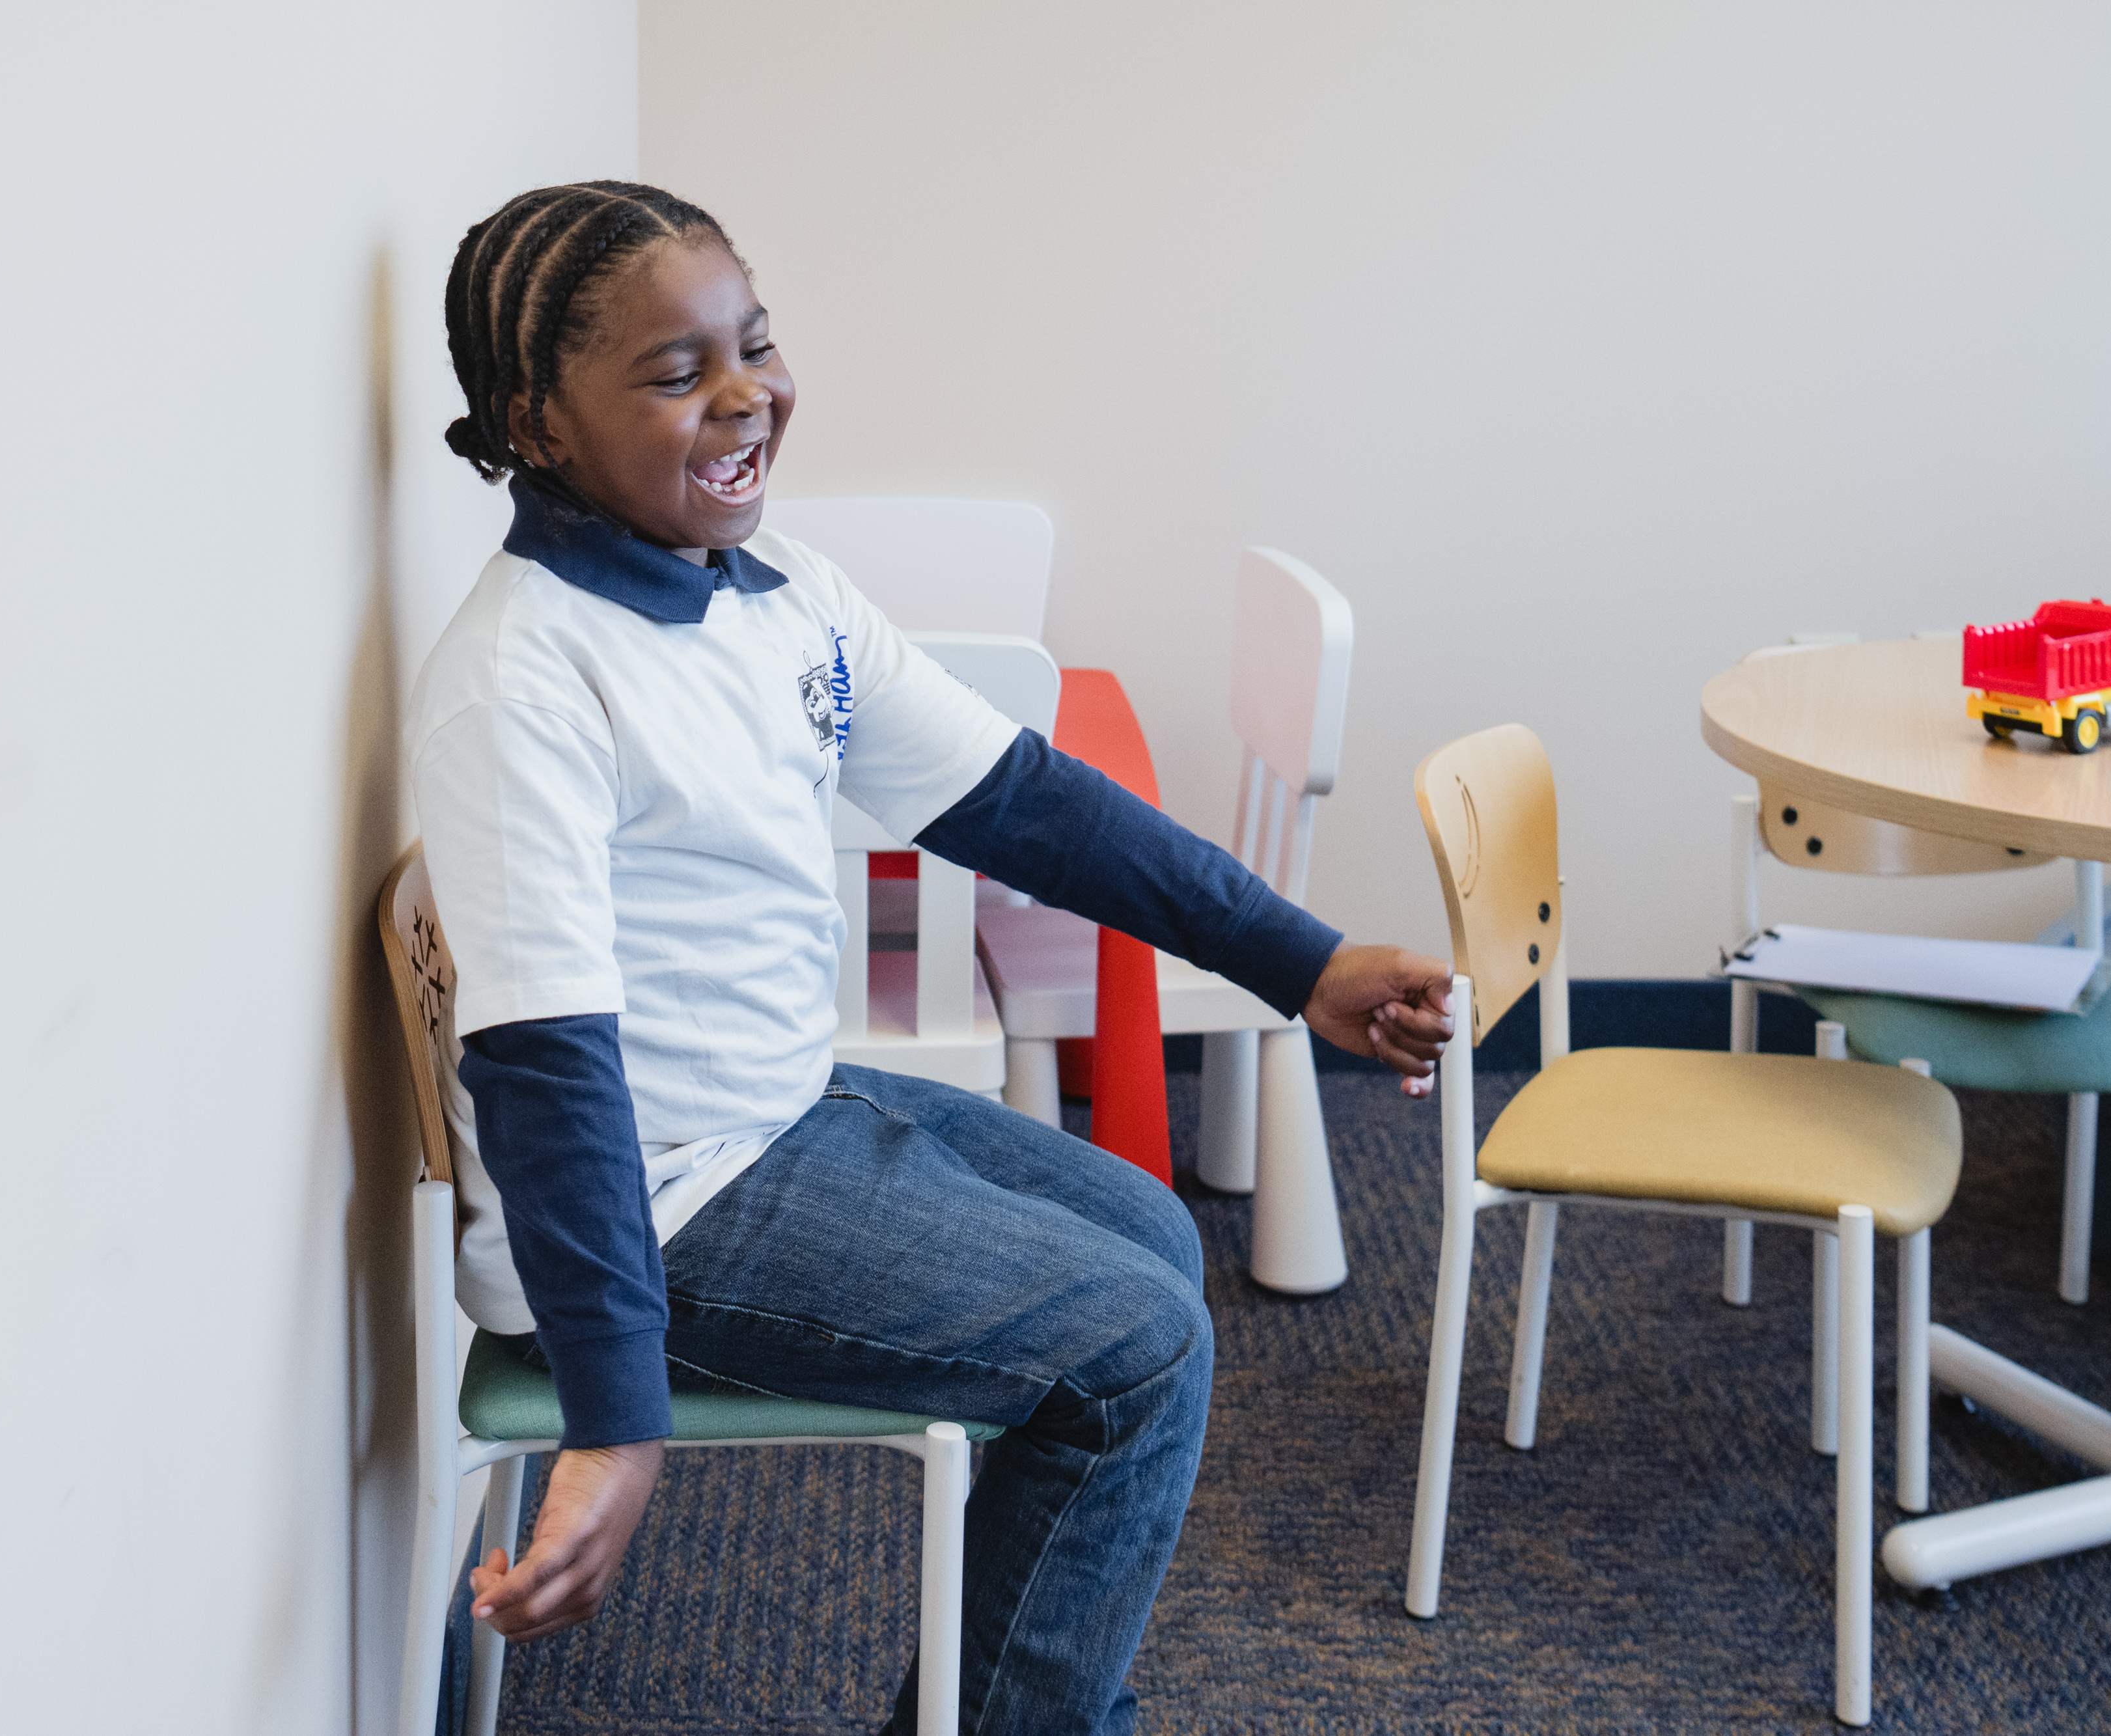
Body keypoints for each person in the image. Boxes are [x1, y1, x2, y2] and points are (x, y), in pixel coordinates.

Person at [408, 180, 1454, 1734]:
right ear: (537, 425)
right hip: (660, 1195)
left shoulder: (769, 591)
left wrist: (1296, 960)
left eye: (752, 344)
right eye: (675, 370)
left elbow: (1023, 800)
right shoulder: (528, 678)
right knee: (1139, 1347)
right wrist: (614, 1419)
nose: (746, 393)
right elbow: (543, 1063)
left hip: (773, 1108)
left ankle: (1011, 1694)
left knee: (1155, 1245)